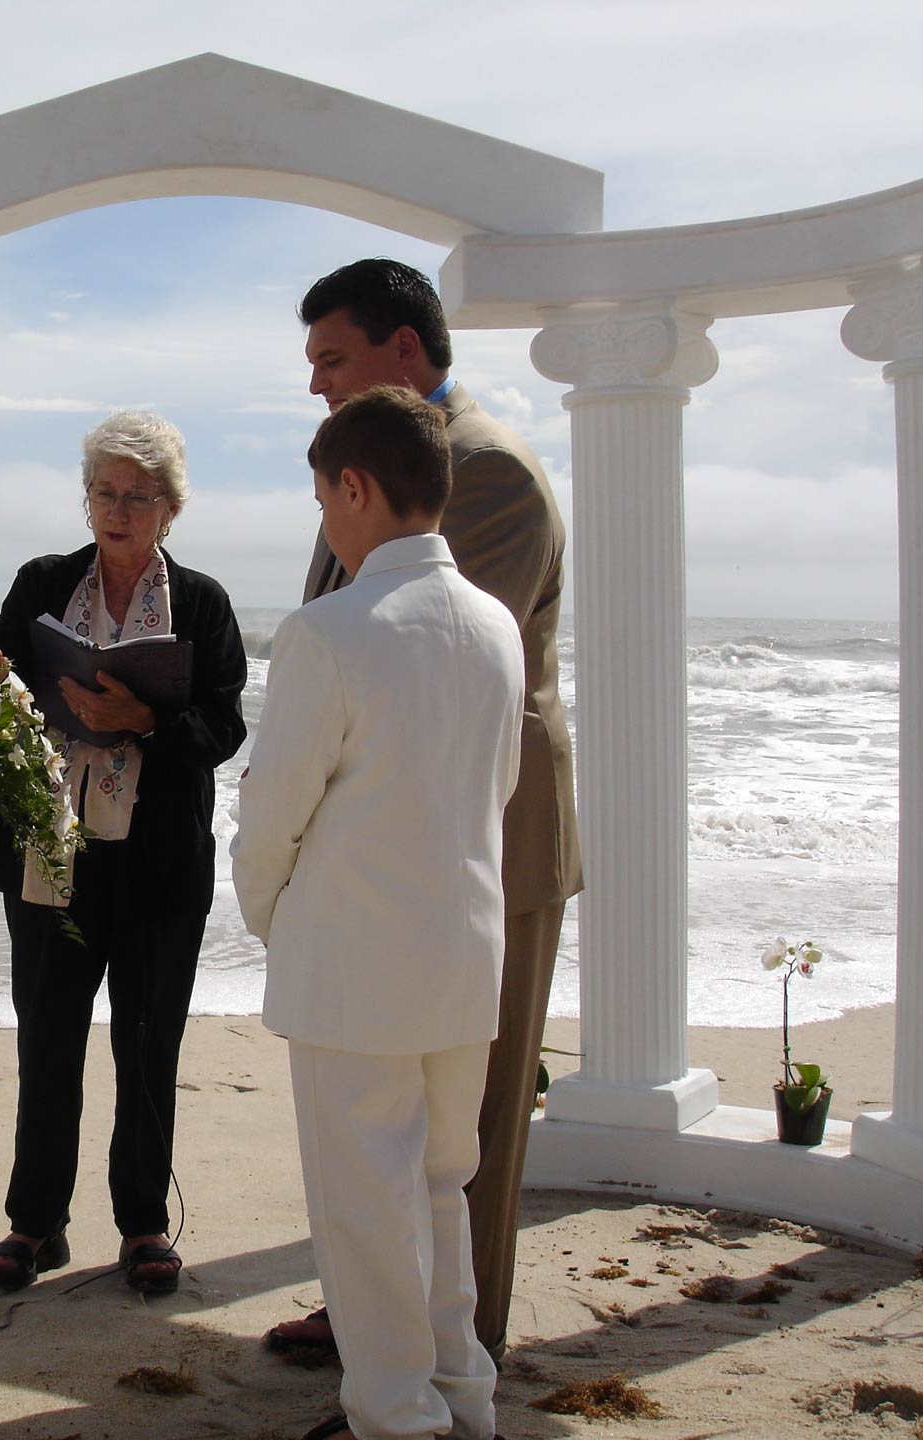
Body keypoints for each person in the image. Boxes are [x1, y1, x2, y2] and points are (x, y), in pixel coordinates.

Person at [268, 258, 582, 1365]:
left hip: (476, 843)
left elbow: (435, 679)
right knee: (387, 1113)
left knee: (466, 1132)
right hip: (408, 843)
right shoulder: (379, 463)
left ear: (406, 351)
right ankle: (378, 1318)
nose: (316, 385)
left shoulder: (482, 471)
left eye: (332, 359)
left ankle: (459, 1359)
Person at [233, 385, 524, 1440]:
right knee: (441, 1188)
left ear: (354, 486)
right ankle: (461, 1396)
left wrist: (272, 915)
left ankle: (396, 1416)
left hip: (355, 961)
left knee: (364, 1211)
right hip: (464, 956)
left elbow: (274, 814)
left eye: (324, 498)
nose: (326, 521)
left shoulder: (328, 630)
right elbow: (489, 791)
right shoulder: (495, 623)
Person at [0, 410, 247, 1295]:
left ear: (170, 507)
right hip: (51, 851)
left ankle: (142, 1227)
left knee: (147, 1043)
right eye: (103, 492)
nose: (115, 509)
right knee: (48, 1039)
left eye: (135, 496)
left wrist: (145, 720)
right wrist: (20, 692)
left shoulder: (202, 601)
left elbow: (225, 724)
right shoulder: (44, 581)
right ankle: (35, 1223)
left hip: (158, 865)